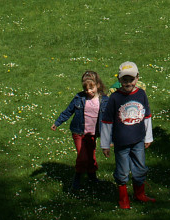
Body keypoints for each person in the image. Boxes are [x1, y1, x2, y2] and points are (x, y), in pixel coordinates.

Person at [100, 61, 155, 209]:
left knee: (140, 167)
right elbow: (106, 122)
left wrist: (148, 137)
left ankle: (139, 194)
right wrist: (105, 144)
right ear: (119, 80)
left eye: (131, 79)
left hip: (138, 140)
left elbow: (147, 116)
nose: (128, 83)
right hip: (121, 143)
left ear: (137, 78)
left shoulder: (141, 94)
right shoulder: (115, 98)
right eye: (124, 80)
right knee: (122, 170)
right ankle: (123, 199)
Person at [51, 71, 109, 189]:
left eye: (91, 88)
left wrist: (110, 138)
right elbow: (68, 111)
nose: (88, 91)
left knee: (91, 156)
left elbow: (109, 118)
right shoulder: (79, 98)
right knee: (82, 156)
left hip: (92, 134)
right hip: (79, 132)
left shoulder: (104, 100)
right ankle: (77, 178)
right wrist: (57, 123)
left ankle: (92, 177)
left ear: (97, 85)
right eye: (86, 89)